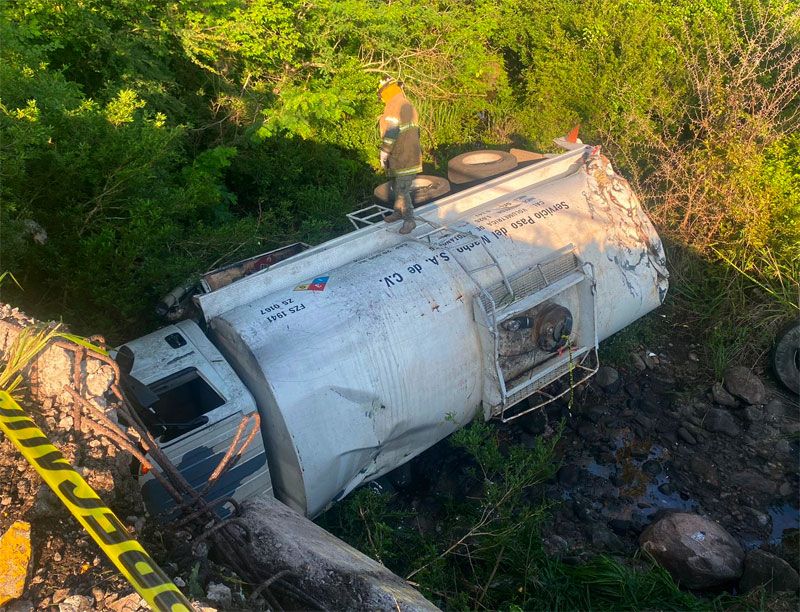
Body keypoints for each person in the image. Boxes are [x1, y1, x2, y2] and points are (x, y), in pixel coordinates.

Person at [377, 77, 422, 234]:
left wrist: (384, 152)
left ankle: (409, 220)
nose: (381, 99)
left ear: (386, 92)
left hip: (404, 157)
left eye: (381, 95)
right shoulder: (404, 104)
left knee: (402, 190)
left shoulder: (394, 106)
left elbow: (392, 132)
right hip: (402, 156)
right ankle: (398, 212)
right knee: (396, 186)